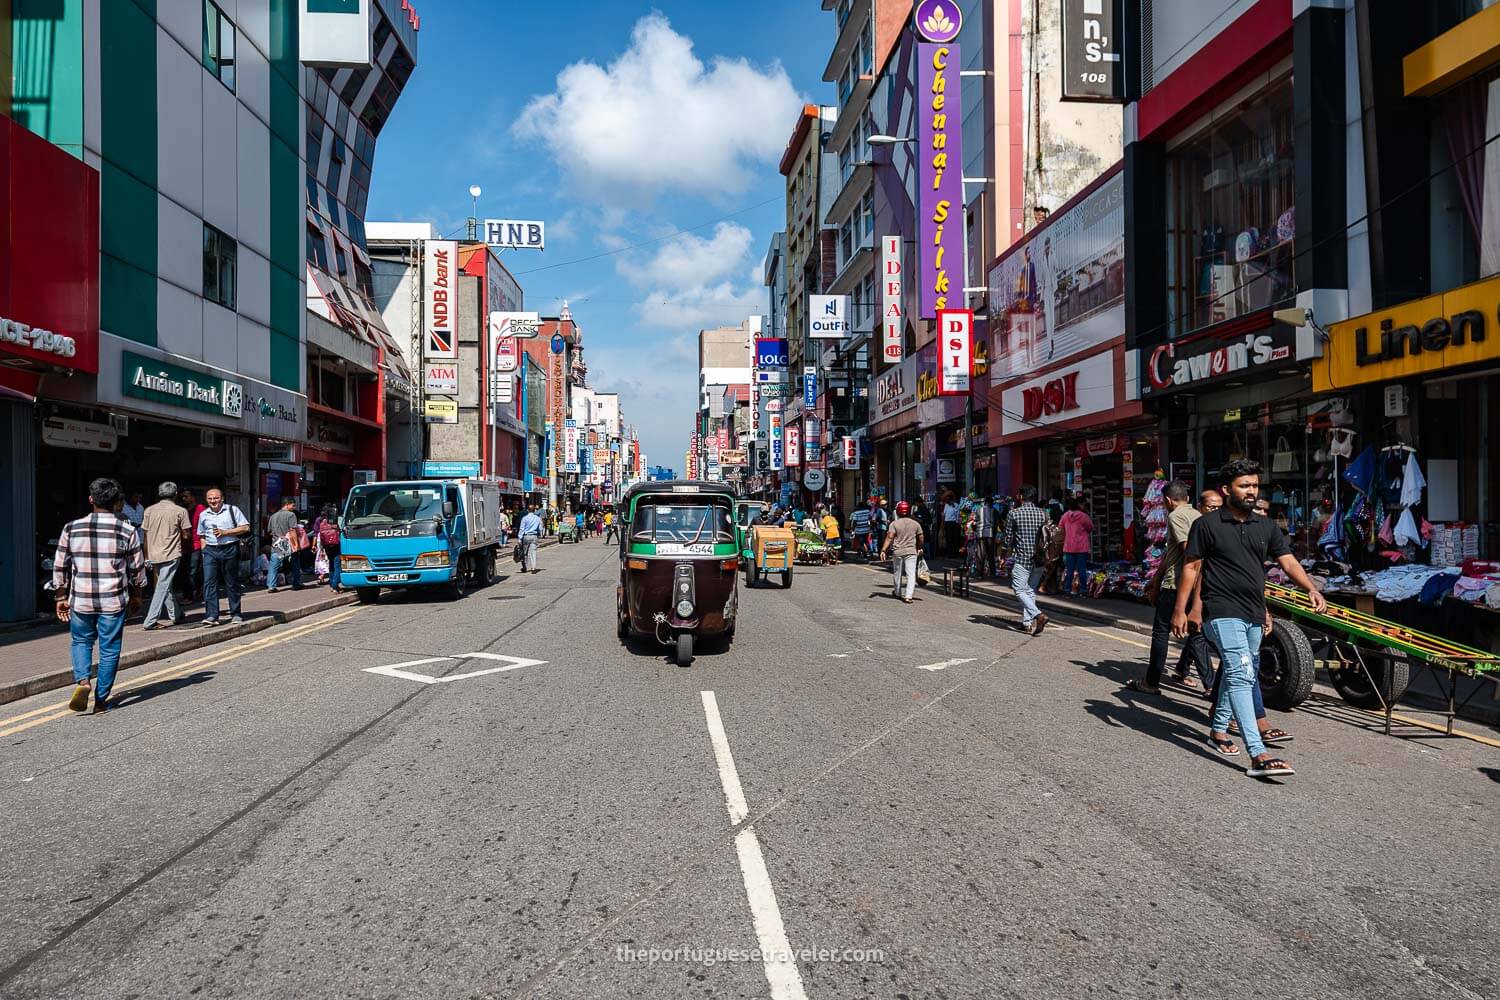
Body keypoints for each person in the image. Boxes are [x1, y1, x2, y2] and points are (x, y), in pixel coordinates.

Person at [1173, 460, 1327, 779]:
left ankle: (1217, 730)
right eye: (1245, 486)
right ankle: (1258, 753)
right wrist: (1182, 609)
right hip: (1221, 610)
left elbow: (1287, 561)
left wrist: (1311, 587)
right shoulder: (1207, 525)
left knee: (1238, 670)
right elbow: (1191, 567)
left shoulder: (1266, 526)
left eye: (1255, 486)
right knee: (1243, 672)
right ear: (1227, 490)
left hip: (1255, 612)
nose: (1252, 491)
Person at [53, 478, 147, 714]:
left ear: (90, 499)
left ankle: (83, 681)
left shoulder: (71, 528)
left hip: (81, 599)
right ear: (117, 503)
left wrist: (60, 596)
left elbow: (60, 565)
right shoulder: (127, 530)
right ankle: (101, 700)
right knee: (109, 649)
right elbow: (137, 569)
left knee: (81, 641)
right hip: (113, 600)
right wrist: (137, 595)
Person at [1133, 481, 1212, 694]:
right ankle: (1208, 684)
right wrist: (1155, 579)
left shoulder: (1176, 516)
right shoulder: (1197, 515)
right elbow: (1171, 554)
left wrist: (1162, 582)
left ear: (1168, 500)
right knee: (1195, 633)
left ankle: (1151, 681)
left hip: (1177, 584)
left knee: (1161, 632)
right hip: (1195, 584)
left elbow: (1189, 551)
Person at [197, 487, 251, 626]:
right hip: (210, 550)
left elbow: (245, 527)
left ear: (222, 498)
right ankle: (212, 616)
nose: (213, 501)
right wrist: (204, 551)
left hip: (229, 548)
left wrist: (225, 532)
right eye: (210, 498)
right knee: (209, 583)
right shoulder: (204, 514)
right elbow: (201, 534)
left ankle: (236, 614)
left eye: (216, 498)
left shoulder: (233, 510)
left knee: (231, 582)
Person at [141, 480, 191, 629]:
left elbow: (145, 535)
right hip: (171, 553)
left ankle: (176, 614)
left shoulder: (149, 510)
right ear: (175, 494)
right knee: (163, 586)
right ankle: (150, 620)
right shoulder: (180, 511)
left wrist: (146, 556)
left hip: (153, 553)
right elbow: (186, 535)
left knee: (165, 584)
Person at [1002, 485, 1049, 635]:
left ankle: (1038, 615)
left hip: (1022, 558)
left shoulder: (1014, 513)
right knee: (1030, 590)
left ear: (1022, 497)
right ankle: (1027, 623)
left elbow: (1007, 539)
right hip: (1040, 558)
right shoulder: (1043, 513)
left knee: (1018, 589)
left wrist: (1003, 554)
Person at [881, 501, 925, 604]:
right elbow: (921, 537)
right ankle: (908, 596)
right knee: (911, 574)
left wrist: (883, 550)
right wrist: (919, 547)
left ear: (898, 512)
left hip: (898, 552)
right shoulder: (915, 523)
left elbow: (889, 537)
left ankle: (897, 592)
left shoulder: (894, 524)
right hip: (911, 551)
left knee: (897, 572)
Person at [266, 496, 303, 593]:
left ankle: (271, 586)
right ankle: (296, 583)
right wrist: (296, 545)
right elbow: (293, 530)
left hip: (277, 544)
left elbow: (269, 532)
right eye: (293, 505)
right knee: (295, 564)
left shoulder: (273, 516)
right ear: (287, 505)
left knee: (273, 566)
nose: (294, 507)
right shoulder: (291, 515)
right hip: (289, 544)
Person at [1058, 497, 1094, 597]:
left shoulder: (1065, 515)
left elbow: (1060, 528)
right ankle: (1083, 591)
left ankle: (1067, 591)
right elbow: (1090, 527)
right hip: (1082, 547)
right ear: (1080, 505)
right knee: (1081, 570)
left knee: (1069, 570)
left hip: (1068, 546)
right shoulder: (1084, 516)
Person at [179, 489, 207, 599]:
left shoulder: (201, 510)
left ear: (192, 497)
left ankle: (193, 593)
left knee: (193, 570)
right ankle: (190, 593)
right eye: (182, 497)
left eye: (186, 496)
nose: (184, 499)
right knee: (185, 571)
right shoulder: (181, 510)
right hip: (183, 545)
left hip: (196, 543)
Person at [315, 503, 342, 591]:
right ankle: (335, 585)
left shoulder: (321, 521)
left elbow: (319, 534)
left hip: (326, 545)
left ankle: (331, 582)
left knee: (331, 563)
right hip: (336, 544)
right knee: (338, 564)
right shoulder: (338, 520)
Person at [518, 505, 543, 573]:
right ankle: (533, 568)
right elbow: (541, 528)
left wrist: (519, 538)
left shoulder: (524, 518)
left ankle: (524, 567)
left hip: (526, 536)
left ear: (528, 510)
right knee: (533, 552)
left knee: (524, 553)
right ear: (534, 510)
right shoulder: (538, 518)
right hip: (534, 536)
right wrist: (540, 534)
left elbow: (522, 529)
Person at [941, 493, 962, 557]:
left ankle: (954, 553)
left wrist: (953, 506)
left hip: (954, 523)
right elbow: (944, 514)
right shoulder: (946, 505)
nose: (948, 501)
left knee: (954, 538)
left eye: (949, 499)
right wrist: (943, 523)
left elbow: (958, 514)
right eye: (947, 500)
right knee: (948, 538)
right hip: (947, 523)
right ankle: (949, 553)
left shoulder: (956, 505)